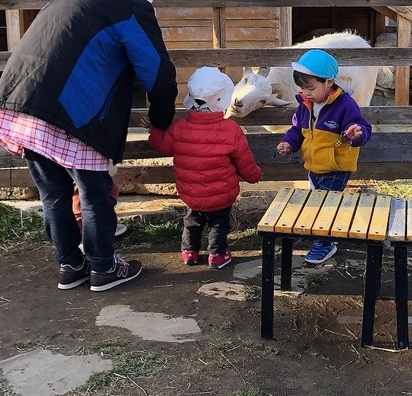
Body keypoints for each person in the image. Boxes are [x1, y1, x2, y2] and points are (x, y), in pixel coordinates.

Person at [0, 0, 177, 292]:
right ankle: (104, 268)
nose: (153, 0)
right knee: (95, 196)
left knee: (55, 196)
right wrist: (162, 119)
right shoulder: (129, 5)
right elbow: (157, 74)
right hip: (74, 114)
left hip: (22, 108)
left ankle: (70, 266)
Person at [146, 66, 262, 270]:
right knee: (219, 223)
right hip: (221, 194)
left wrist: (154, 132)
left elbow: (164, 146)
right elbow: (244, 160)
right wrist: (254, 176)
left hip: (191, 192)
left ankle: (189, 252)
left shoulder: (179, 128)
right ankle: (217, 255)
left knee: (192, 221)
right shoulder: (230, 130)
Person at [275, 49, 372, 264]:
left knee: (324, 204)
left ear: (329, 82)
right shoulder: (305, 105)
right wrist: (288, 143)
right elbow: (296, 129)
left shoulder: (345, 104)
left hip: (336, 166)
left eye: (311, 88)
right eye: (303, 88)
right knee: (320, 202)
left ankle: (323, 244)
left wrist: (356, 135)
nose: (306, 93)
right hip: (314, 166)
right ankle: (328, 235)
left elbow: (363, 128)